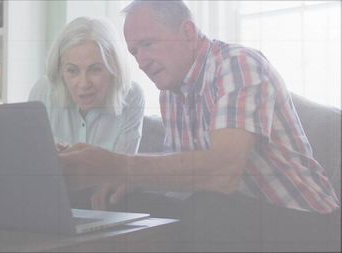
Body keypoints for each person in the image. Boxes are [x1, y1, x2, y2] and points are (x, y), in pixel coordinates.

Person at [59, 1, 340, 216]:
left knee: (209, 208)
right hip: (238, 216)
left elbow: (223, 172)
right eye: (135, 52)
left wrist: (116, 165)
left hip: (308, 220)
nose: (142, 61)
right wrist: (127, 181)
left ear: (188, 33)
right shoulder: (171, 93)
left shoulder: (237, 64)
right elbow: (187, 175)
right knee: (123, 201)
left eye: (148, 44)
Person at [29, 17, 145, 209]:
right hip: (48, 201)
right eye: (72, 71)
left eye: (95, 70)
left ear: (113, 69)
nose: (83, 84)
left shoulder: (132, 96)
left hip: (106, 205)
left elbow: (120, 172)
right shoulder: (43, 91)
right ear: (60, 71)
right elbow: (33, 168)